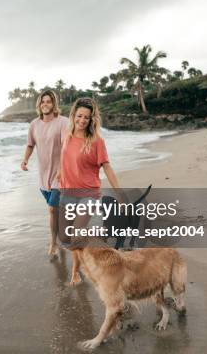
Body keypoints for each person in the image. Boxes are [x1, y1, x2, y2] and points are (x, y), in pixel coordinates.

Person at [57, 97, 122, 285]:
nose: (82, 120)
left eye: (87, 117)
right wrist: (60, 173)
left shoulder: (97, 141)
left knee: (77, 235)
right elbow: (65, 158)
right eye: (79, 116)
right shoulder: (66, 134)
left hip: (89, 194)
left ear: (91, 119)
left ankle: (77, 272)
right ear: (73, 116)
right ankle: (98, 244)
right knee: (65, 239)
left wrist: (119, 193)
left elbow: (107, 167)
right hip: (67, 193)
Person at [21, 89, 69, 259]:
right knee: (56, 210)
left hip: (60, 174)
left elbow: (67, 146)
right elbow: (30, 145)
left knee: (51, 209)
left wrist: (62, 169)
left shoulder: (63, 122)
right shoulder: (34, 124)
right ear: (39, 105)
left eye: (48, 101)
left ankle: (53, 243)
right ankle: (63, 233)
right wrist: (25, 160)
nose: (45, 104)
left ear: (54, 104)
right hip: (43, 176)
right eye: (42, 102)